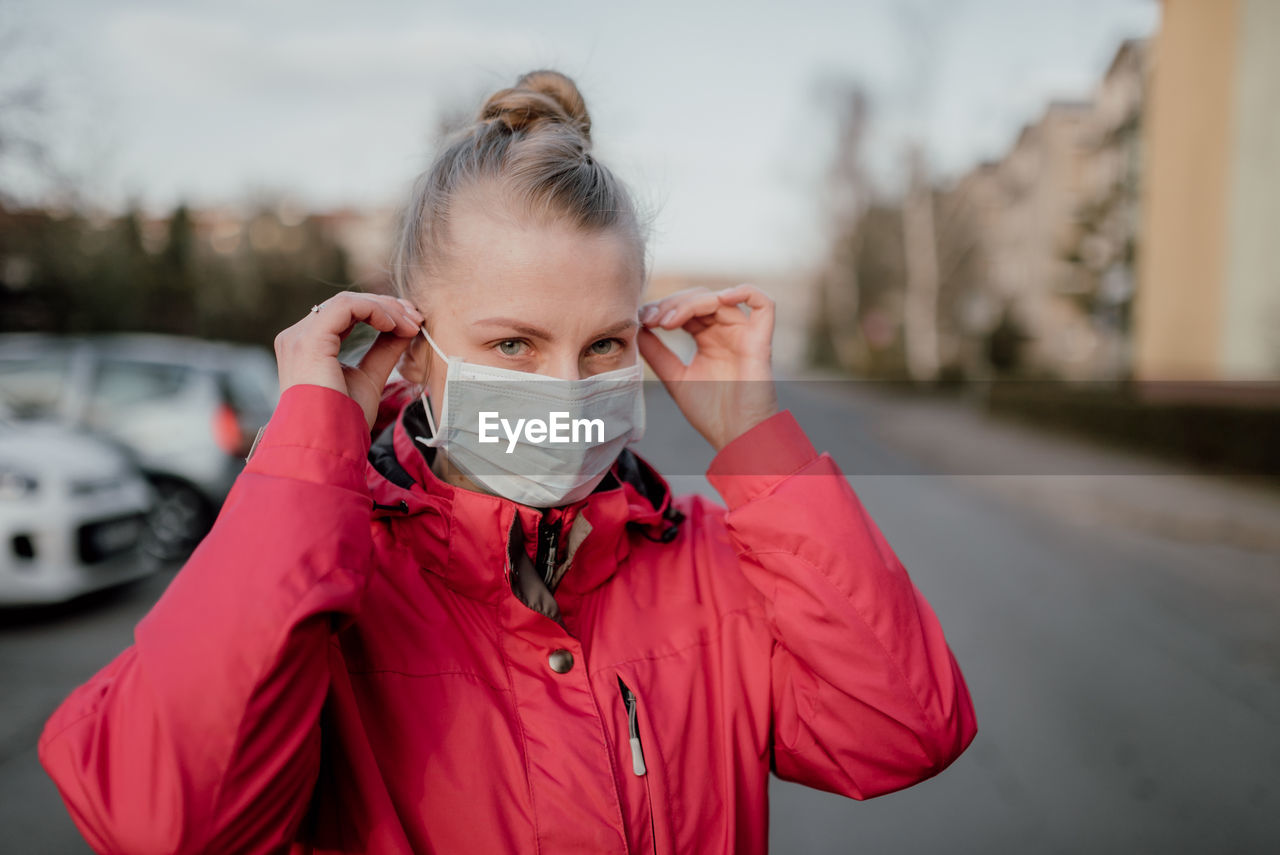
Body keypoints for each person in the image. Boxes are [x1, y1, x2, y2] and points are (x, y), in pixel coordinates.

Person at [38, 69, 977, 854]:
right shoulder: (332, 580)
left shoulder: (711, 561)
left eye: (604, 344)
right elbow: (166, 822)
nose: (567, 389)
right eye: (516, 345)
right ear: (413, 347)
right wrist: (304, 459)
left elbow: (901, 731)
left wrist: (756, 442)